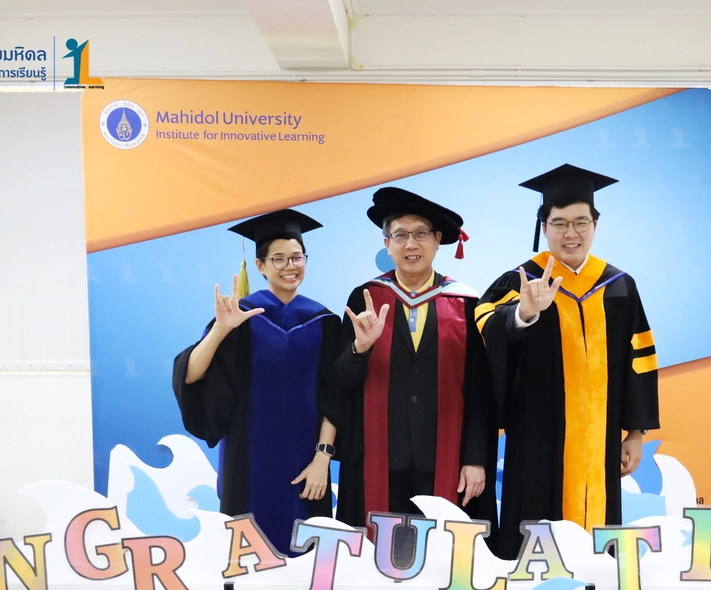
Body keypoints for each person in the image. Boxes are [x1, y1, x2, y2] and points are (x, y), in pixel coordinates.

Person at [476, 164, 659, 556]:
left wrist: (636, 432)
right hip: (536, 437)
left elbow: (639, 358)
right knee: (534, 538)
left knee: (597, 540)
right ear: (544, 227)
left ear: (595, 224)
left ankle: (594, 584)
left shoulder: (619, 286)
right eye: (559, 223)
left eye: (580, 222)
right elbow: (486, 328)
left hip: (600, 438)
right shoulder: (522, 281)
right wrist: (524, 313)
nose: (571, 233)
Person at [172, 209, 340, 555]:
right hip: (247, 461)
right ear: (260, 266)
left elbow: (336, 396)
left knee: (307, 556)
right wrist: (220, 330)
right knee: (248, 557)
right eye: (278, 259)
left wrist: (322, 458)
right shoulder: (241, 317)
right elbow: (190, 375)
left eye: (297, 257)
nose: (290, 266)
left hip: (307, 462)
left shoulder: (325, 322)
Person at [334, 187, 497, 534]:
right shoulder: (365, 298)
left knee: (441, 557)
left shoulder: (465, 303)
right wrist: (360, 348)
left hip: (446, 459)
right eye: (400, 235)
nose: (411, 244)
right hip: (376, 457)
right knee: (377, 557)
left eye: (421, 234)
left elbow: (480, 391)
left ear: (438, 240)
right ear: (387, 243)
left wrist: (475, 459)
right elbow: (340, 382)